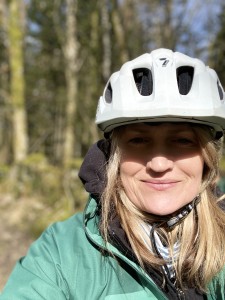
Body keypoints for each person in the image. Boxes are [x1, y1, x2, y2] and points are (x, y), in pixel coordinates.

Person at [1, 48, 225, 299]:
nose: (159, 164)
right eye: (139, 140)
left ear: (207, 158)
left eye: (182, 141)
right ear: (114, 156)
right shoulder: (60, 253)